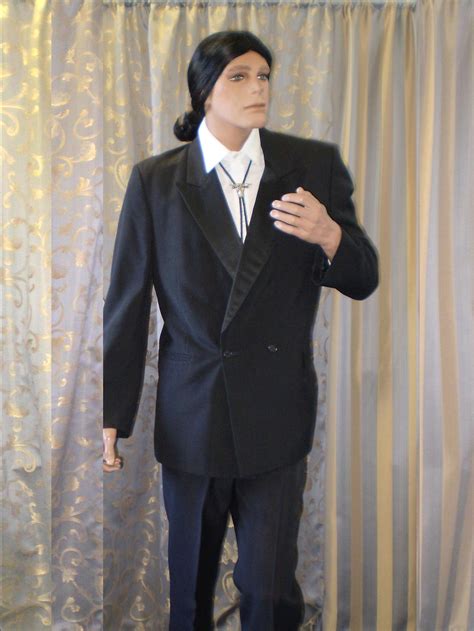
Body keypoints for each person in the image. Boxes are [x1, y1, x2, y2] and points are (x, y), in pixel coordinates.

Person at [103, 30, 378, 631]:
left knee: (270, 590)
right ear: (206, 91)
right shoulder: (156, 181)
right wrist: (114, 416)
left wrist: (330, 236)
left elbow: (364, 279)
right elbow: (127, 303)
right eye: (240, 76)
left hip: (275, 411)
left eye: (263, 75)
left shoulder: (311, 166)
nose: (259, 88)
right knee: (189, 588)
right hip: (193, 412)